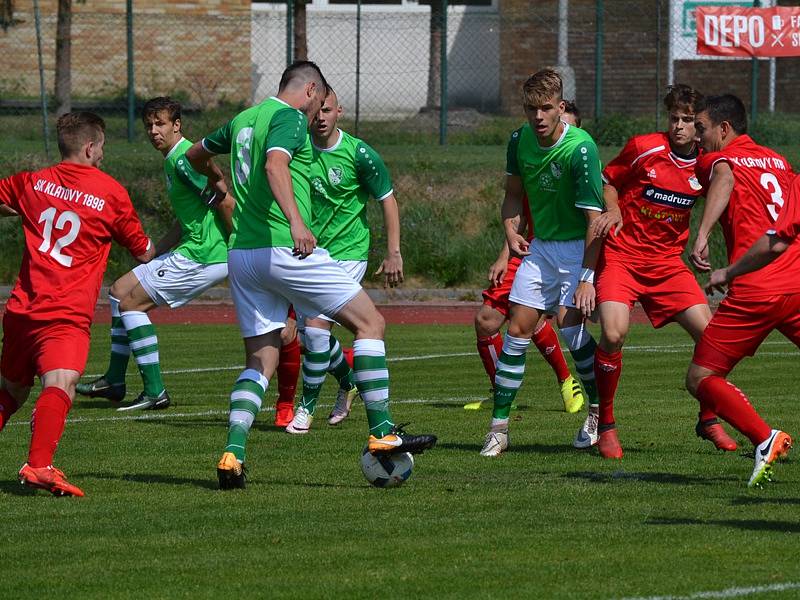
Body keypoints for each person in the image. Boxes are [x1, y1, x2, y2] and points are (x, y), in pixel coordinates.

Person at [185, 61, 436, 490]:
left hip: (242, 254)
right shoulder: (288, 118)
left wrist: (218, 186)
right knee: (370, 323)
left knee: (260, 359)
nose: (317, 111)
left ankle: (233, 453)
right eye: (318, 100)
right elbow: (275, 167)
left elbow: (194, 156)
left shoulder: (244, 119)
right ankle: (382, 433)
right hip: (283, 246)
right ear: (312, 89)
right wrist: (297, 223)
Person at [0, 112, 154, 496]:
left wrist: (23, 210)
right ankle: (38, 465)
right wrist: (172, 238)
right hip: (64, 314)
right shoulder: (110, 192)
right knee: (62, 383)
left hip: (21, 311)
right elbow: (143, 251)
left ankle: (40, 464)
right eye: (101, 147)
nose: (102, 155)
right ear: (89, 146)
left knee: (10, 391)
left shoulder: (33, 182)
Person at [590, 85, 736, 459]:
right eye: (674, 118)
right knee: (613, 331)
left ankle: (708, 418)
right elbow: (608, 182)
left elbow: (724, 187)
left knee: (712, 339)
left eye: (688, 120)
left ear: (700, 123)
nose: (680, 127)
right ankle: (605, 424)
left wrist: (704, 239)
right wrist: (616, 208)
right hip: (622, 257)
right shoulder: (644, 147)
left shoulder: (705, 163)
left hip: (667, 264)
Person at [479, 69, 605, 457]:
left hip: (575, 247)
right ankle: (499, 429)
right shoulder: (519, 140)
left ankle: (598, 411)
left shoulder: (580, 148)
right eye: (531, 108)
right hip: (539, 247)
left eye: (546, 108)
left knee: (571, 330)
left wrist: (586, 278)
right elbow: (513, 196)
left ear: (560, 108)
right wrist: (510, 231)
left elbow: (594, 221)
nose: (538, 117)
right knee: (517, 329)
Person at [685, 94, 795, 487]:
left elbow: (725, 177)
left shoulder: (717, 158)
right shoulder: (780, 161)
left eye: (701, 129)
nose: (698, 137)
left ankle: (764, 439)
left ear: (724, 129)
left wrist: (702, 234)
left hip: (756, 288)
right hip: (796, 281)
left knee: (700, 378)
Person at [285, 88, 403, 433]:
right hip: (310, 253)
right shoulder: (297, 148)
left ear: (340, 112)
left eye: (328, 110)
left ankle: (305, 409)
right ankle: (348, 381)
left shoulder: (359, 153)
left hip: (350, 254)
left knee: (318, 329)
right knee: (311, 337)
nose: (321, 117)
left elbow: (387, 199)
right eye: (316, 110)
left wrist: (393, 251)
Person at [466, 101, 584, 414]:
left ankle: (571, 384)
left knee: (559, 323)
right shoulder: (533, 159)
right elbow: (520, 213)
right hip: (532, 249)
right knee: (488, 320)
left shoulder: (580, 166)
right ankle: (502, 393)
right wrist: (505, 253)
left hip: (570, 252)